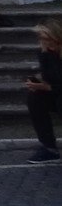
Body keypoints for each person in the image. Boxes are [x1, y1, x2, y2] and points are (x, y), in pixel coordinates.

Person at [25, 16, 62, 163]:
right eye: (41, 37)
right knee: (35, 97)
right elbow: (49, 76)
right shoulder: (44, 53)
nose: (43, 41)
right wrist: (38, 83)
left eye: (47, 38)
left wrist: (48, 87)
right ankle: (49, 148)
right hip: (57, 91)